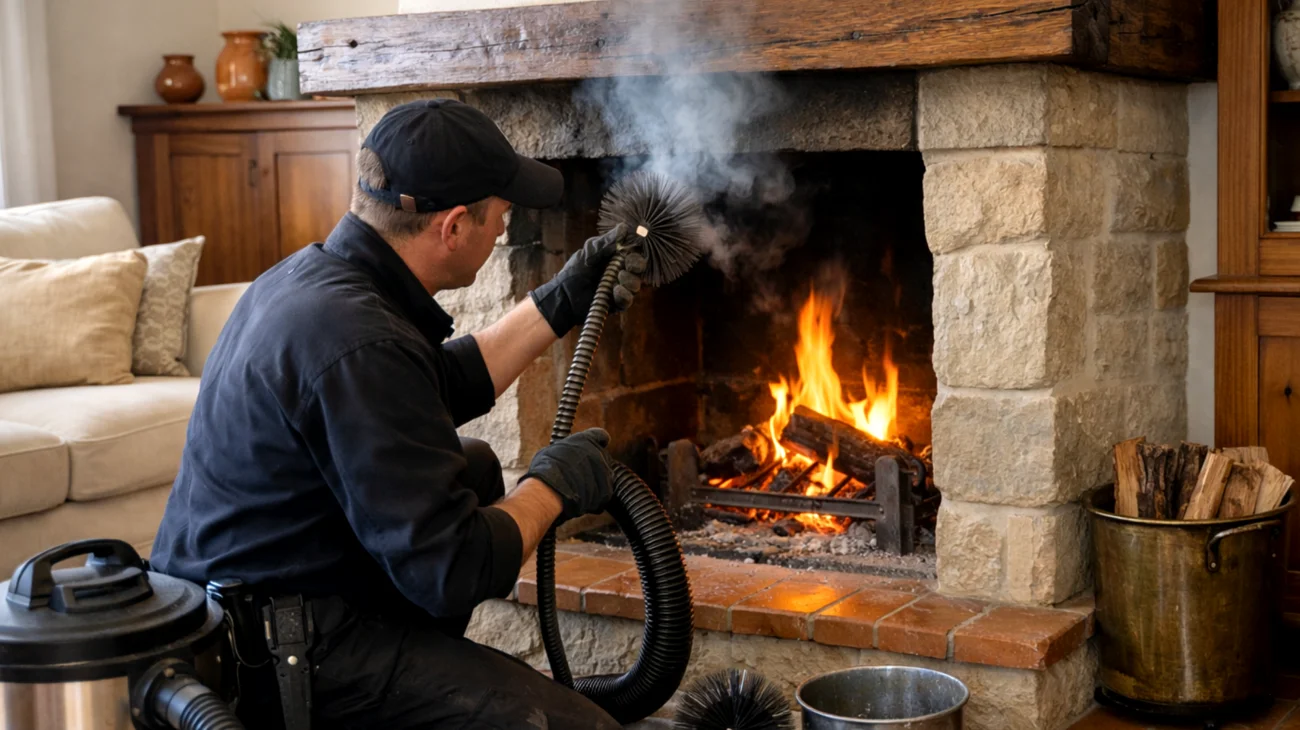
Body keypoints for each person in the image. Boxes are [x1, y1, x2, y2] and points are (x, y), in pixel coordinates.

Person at [150, 99, 645, 728]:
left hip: (256, 602)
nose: (503, 229)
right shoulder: (360, 339)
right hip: (279, 658)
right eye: (502, 214)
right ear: (455, 226)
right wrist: (552, 487)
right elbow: (454, 569)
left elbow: (433, 383)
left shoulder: (313, 282)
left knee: (472, 466)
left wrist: (563, 298)